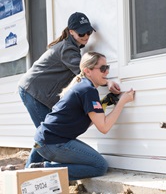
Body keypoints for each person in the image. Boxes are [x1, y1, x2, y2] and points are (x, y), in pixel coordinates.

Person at [18, 12, 120, 168]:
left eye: (88, 31)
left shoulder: (73, 47)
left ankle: (35, 169)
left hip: (42, 93)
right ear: (71, 32)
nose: (86, 36)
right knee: (48, 135)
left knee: (48, 134)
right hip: (33, 91)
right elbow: (83, 71)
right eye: (81, 33)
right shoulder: (68, 49)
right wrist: (108, 82)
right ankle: (30, 173)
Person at [27, 51, 135, 180]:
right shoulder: (88, 90)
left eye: (107, 68)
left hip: (46, 141)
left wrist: (105, 102)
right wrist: (122, 102)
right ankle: (44, 170)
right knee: (99, 166)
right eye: (102, 68)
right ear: (87, 71)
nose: (106, 72)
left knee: (90, 163)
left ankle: (48, 168)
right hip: (53, 143)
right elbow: (104, 127)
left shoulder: (83, 86)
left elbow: (91, 120)